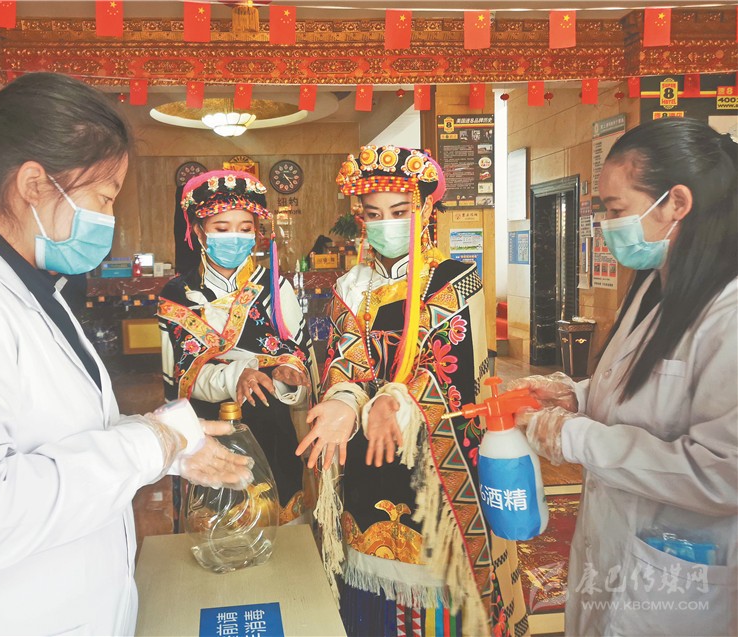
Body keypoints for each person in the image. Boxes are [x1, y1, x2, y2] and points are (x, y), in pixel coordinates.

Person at [0, 73, 253, 636]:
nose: (108, 217)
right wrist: (148, 444)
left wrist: (167, 444)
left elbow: (51, 438)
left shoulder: (30, 290)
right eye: (104, 197)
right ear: (34, 184)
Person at [513, 118, 738, 636]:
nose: (607, 225)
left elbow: (724, 474)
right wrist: (576, 396)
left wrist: (577, 438)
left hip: (679, 566)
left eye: (615, 211)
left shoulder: (727, 311)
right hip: (616, 544)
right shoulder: (654, 287)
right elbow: (642, 387)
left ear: (676, 203)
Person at [298, 146, 528, 637]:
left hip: (435, 461)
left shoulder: (454, 280)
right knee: (371, 587)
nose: (387, 224)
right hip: (365, 453)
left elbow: (452, 373)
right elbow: (344, 362)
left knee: (439, 593)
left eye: (399, 211)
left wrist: (393, 400)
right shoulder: (350, 286)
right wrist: (342, 400)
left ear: (424, 211)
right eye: (374, 214)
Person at [158, 170, 318, 524]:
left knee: (284, 529)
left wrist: (289, 374)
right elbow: (180, 377)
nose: (235, 237)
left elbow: (298, 352)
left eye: (245, 228)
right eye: (221, 227)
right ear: (199, 231)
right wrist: (237, 376)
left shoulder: (273, 286)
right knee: (218, 528)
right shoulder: (177, 295)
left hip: (272, 429)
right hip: (208, 434)